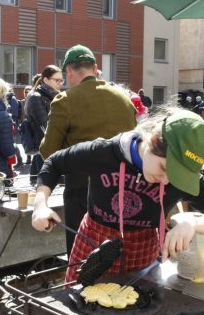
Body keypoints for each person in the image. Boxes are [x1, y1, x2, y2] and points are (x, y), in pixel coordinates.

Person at [32, 109, 204, 283]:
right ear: (153, 140)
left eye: (176, 177)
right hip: (93, 242)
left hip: (143, 253)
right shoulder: (104, 152)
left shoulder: (180, 179)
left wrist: (193, 224)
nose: (166, 181)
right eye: (164, 168)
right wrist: (40, 204)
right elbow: (54, 163)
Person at [40, 45, 137, 253]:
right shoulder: (124, 98)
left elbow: (48, 152)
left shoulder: (64, 101)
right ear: (95, 68)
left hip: (84, 192)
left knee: (82, 258)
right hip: (124, 188)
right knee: (121, 255)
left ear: (70, 72)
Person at [24, 65, 61, 185]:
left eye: (62, 80)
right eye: (57, 80)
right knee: (46, 187)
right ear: (45, 80)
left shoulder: (55, 96)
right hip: (44, 149)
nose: (60, 83)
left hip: (54, 148)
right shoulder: (36, 97)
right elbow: (45, 126)